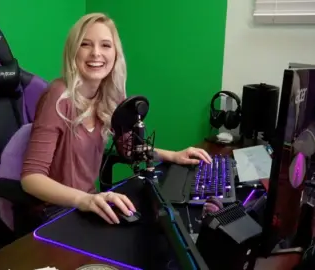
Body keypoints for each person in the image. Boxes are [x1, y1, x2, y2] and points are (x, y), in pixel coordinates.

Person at [20, 13, 212, 225]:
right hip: (54, 210)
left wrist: (173, 156)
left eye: (105, 45)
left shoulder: (110, 96)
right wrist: (84, 199)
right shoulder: (58, 96)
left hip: (88, 202)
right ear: (73, 51)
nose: (96, 53)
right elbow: (31, 178)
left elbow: (130, 149)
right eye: (85, 44)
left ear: (115, 53)